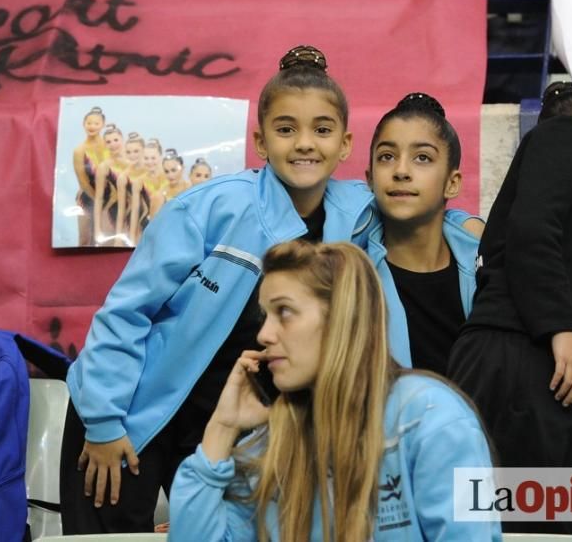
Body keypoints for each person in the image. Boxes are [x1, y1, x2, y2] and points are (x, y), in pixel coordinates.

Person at [60, 44, 373, 533]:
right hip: (128, 411)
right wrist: (103, 422)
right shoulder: (210, 208)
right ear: (261, 141)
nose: (305, 143)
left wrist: (471, 225)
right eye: (286, 129)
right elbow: (126, 312)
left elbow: (419, 209)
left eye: (322, 129)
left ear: (346, 144)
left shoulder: (355, 217)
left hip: (227, 422)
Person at [169, 240, 500, 541]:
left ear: (341, 317)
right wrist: (222, 429)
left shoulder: (435, 419)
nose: (264, 335)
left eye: (284, 312)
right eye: (265, 316)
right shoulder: (271, 442)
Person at [448, 80, 572, 540]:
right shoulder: (570, 133)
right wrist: (561, 329)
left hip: (537, 363)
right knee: (530, 520)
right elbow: (532, 229)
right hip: (522, 354)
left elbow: (541, 232)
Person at [365, 92, 484, 373]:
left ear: (452, 183)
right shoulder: (356, 273)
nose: (401, 171)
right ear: (369, 179)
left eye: (422, 158)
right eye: (386, 157)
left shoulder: (483, 266)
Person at [71, 106, 107, 247]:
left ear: (103, 124)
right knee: (85, 239)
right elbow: (83, 181)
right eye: (89, 123)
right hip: (86, 197)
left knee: (104, 239)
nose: (92, 126)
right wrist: (97, 200)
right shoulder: (79, 150)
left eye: (96, 123)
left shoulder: (109, 145)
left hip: (109, 197)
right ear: (83, 124)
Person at [92, 123, 127, 246]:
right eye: (108, 142)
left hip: (131, 213)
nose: (113, 144)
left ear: (123, 140)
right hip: (110, 213)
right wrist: (97, 230)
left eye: (116, 140)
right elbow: (98, 198)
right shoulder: (104, 167)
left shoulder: (134, 163)